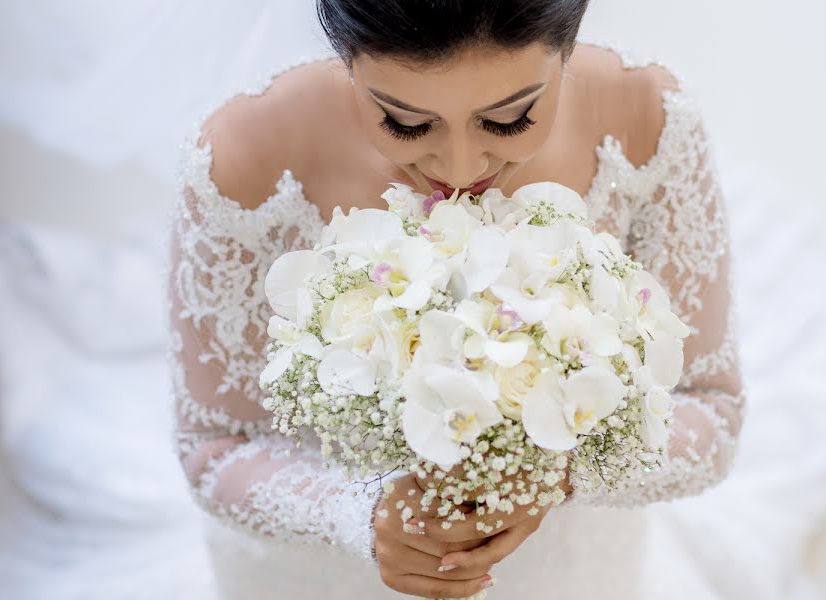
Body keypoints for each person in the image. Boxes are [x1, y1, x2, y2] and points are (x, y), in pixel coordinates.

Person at [165, 1, 745, 598]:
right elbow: (213, 447)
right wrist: (355, 515)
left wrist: (557, 471)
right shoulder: (245, 151)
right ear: (348, 58)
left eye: (513, 118)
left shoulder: (645, 116)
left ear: (567, 46)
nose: (461, 168)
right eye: (406, 123)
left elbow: (713, 411)